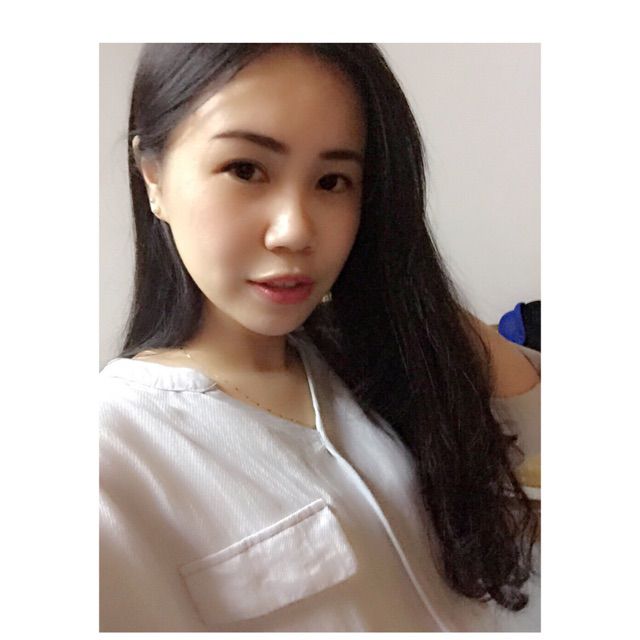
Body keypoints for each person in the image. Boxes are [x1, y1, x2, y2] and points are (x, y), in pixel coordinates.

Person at [99, 43, 541, 632]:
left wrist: (411, 302)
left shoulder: (376, 364)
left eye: (333, 181)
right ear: (152, 176)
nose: (294, 231)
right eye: (245, 169)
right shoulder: (110, 456)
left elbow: (538, 426)